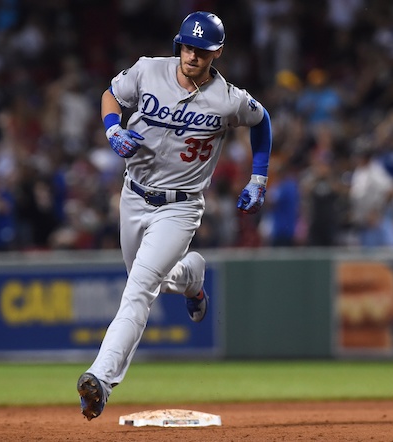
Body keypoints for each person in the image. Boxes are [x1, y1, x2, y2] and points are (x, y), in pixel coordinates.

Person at [76, 11, 272, 421]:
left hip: (181, 207)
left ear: (217, 52)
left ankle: (101, 378)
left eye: (201, 50)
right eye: (187, 46)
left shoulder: (228, 99)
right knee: (151, 282)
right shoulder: (149, 70)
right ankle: (192, 278)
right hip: (133, 196)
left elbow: (262, 120)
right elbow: (111, 95)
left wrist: (258, 176)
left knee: (138, 291)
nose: (192, 55)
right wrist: (112, 129)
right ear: (177, 44)